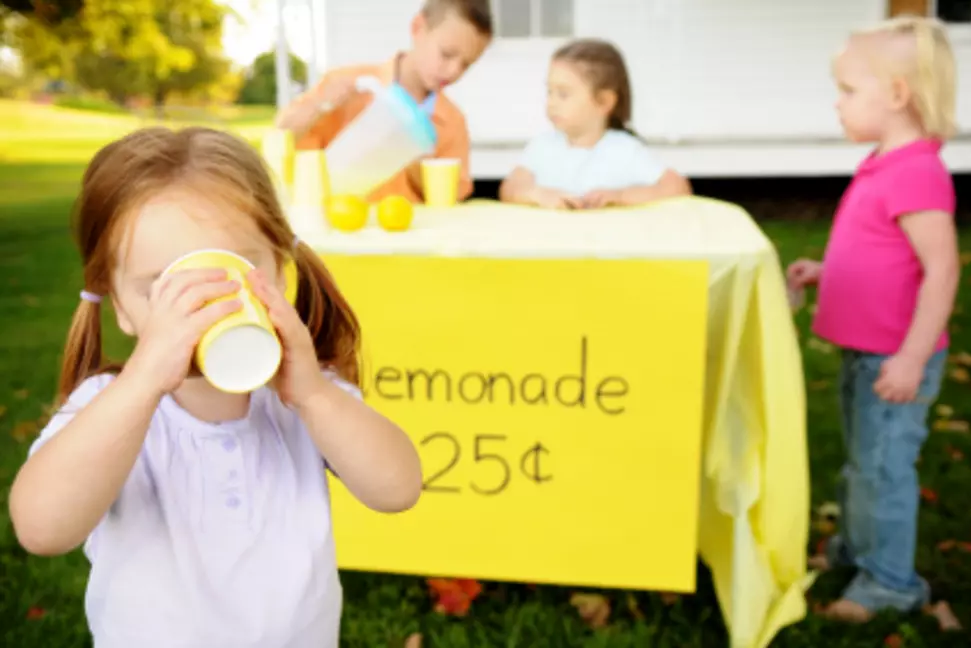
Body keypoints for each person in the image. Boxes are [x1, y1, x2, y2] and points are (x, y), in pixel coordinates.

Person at [8, 127, 423, 647]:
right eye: (164, 287)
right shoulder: (110, 410)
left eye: (234, 273)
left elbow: (399, 489)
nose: (203, 308)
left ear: (279, 274)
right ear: (120, 307)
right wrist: (140, 384)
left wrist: (315, 395)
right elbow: (42, 529)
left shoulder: (304, 399)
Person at [787, 16, 959, 623]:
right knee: (864, 460)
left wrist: (912, 358)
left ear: (896, 96)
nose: (837, 102)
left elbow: (941, 272)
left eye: (848, 90)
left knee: (884, 469)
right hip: (869, 353)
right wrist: (825, 270)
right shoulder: (886, 163)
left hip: (895, 358)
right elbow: (880, 254)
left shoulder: (917, 172)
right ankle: (858, 552)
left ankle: (889, 584)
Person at [275, 0, 493, 204]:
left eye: (466, 64)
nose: (454, 71)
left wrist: (419, 161)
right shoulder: (351, 85)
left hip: (410, 237)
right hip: (342, 229)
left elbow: (455, 197)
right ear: (418, 28)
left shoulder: (452, 121)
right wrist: (320, 104)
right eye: (446, 54)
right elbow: (283, 136)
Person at [499, 39, 690, 210]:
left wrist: (621, 196)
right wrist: (539, 195)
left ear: (604, 102)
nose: (551, 103)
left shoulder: (625, 150)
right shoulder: (541, 146)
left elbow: (678, 187)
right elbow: (510, 188)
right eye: (549, 91)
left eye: (563, 94)